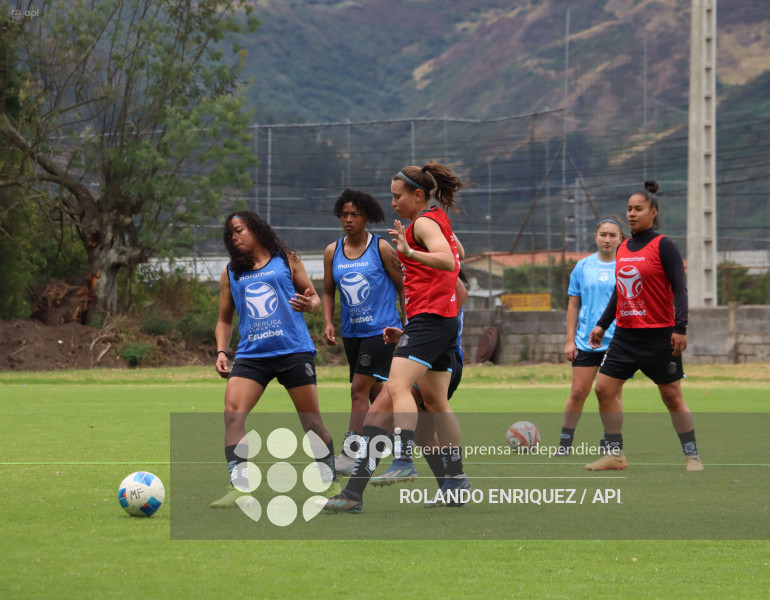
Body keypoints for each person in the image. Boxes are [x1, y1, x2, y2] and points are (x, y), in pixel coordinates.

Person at [323, 162, 471, 512]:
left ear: (417, 195)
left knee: (391, 394)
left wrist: (409, 253)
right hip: (433, 327)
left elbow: (452, 265)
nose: (393, 203)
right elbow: (458, 255)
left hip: (430, 326)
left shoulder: (423, 222)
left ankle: (398, 462)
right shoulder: (436, 219)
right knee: (431, 409)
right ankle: (455, 482)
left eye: (397, 196)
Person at [210, 210, 339, 508]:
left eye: (239, 230)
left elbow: (315, 298)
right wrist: (221, 350)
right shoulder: (231, 272)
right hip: (252, 354)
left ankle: (331, 480)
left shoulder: (286, 258)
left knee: (311, 423)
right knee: (232, 413)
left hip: (293, 350)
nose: (235, 237)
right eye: (231, 233)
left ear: (256, 230)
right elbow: (224, 320)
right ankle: (240, 487)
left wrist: (310, 305)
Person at [321, 274, 469, 513]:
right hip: (431, 352)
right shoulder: (420, 267)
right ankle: (452, 485)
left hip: (434, 355)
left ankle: (353, 493)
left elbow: (459, 293)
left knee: (377, 416)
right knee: (422, 434)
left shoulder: (427, 258)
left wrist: (428, 338)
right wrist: (409, 335)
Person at [585, 181, 704, 472]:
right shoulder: (623, 246)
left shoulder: (664, 245)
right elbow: (619, 291)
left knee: (672, 396)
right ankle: (615, 455)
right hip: (626, 336)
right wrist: (602, 324)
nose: (631, 214)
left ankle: (692, 456)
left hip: (660, 337)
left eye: (638, 209)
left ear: (653, 212)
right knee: (603, 389)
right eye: (628, 209)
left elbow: (680, 289)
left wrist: (680, 328)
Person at [322, 189, 405, 477]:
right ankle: (400, 444)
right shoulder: (332, 251)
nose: (348, 219)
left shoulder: (381, 248)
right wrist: (328, 322)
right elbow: (328, 292)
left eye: (354, 214)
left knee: (358, 389)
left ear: (366, 216)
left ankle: (349, 453)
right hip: (352, 334)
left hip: (381, 331)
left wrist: (408, 326)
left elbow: (403, 286)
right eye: (344, 214)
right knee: (375, 393)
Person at [557, 216, 624, 455]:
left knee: (613, 394)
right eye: (603, 235)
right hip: (586, 341)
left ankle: (610, 441)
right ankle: (565, 444)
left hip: (618, 341)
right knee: (577, 392)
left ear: (620, 238)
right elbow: (573, 306)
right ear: (595, 237)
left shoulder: (626, 267)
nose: (607, 239)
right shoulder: (583, 266)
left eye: (612, 235)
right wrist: (569, 340)